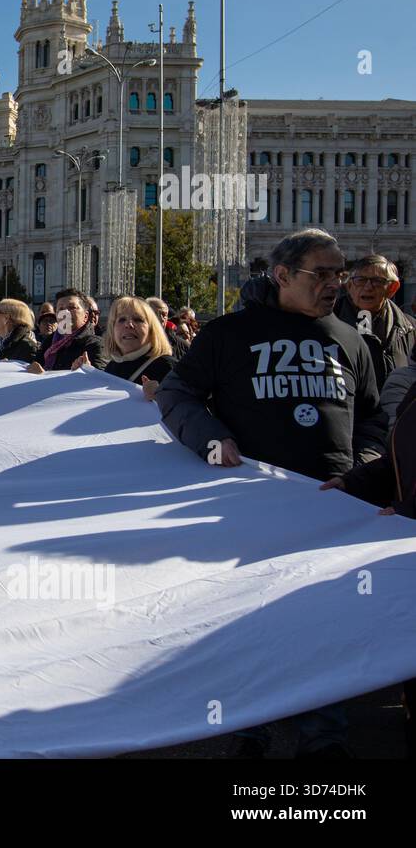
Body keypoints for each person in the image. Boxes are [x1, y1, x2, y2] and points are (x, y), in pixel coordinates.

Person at [156, 228, 386, 759]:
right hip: (249, 509)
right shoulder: (230, 334)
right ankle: (247, 728)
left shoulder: (354, 340)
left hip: (334, 506)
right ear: (283, 275)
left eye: (340, 274)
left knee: (321, 620)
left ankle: (323, 736)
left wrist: (366, 467)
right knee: (250, 616)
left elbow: (374, 417)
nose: (335, 285)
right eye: (322, 274)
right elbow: (176, 394)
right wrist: (212, 441)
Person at [334, 254, 414, 390]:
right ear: (349, 286)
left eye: (378, 281)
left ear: (392, 288)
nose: (368, 287)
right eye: (360, 280)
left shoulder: (410, 328)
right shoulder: (326, 323)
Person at [82, 296, 176, 401]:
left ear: (151, 329)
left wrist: (164, 398)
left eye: (138, 319)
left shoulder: (168, 367)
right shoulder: (111, 367)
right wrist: (87, 375)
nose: (128, 324)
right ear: (112, 330)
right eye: (121, 320)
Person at [30, 288, 106, 373]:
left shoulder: (96, 345)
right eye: (61, 309)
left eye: (72, 307)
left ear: (86, 316)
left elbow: (100, 380)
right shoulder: (49, 343)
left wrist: (88, 372)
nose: (66, 312)